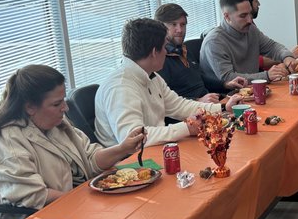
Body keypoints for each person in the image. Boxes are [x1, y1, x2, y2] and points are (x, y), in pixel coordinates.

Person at [0, 65, 146, 210]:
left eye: (63, 100)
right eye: (56, 104)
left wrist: (122, 148)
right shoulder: (8, 141)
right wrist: (86, 203)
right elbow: (35, 197)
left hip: (73, 203)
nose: (65, 108)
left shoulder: (54, 122)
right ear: (30, 107)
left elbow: (90, 158)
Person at [95, 18, 238, 148]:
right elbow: (135, 139)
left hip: (156, 149)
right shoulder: (119, 87)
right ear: (154, 52)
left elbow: (178, 106)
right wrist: (187, 128)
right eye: (164, 47)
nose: (166, 52)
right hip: (129, 164)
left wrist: (223, 107)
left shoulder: (152, 76)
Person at [201, 0, 298, 85]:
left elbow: (272, 47)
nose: (249, 20)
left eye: (250, 14)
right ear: (227, 16)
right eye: (243, 16)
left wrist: (287, 57)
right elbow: (228, 78)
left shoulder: (250, 29)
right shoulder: (214, 42)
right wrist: (266, 76)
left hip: (254, 89)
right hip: (228, 96)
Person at [155, 3, 246, 102]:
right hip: (189, 112)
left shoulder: (183, 49)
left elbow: (200, 79)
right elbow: (165, 100)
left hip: (209, 104)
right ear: (161, 27)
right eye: (173, 25)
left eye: (183, 24)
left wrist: (226, 84)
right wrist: (198, 100)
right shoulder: (159, 59)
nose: (180, 30)